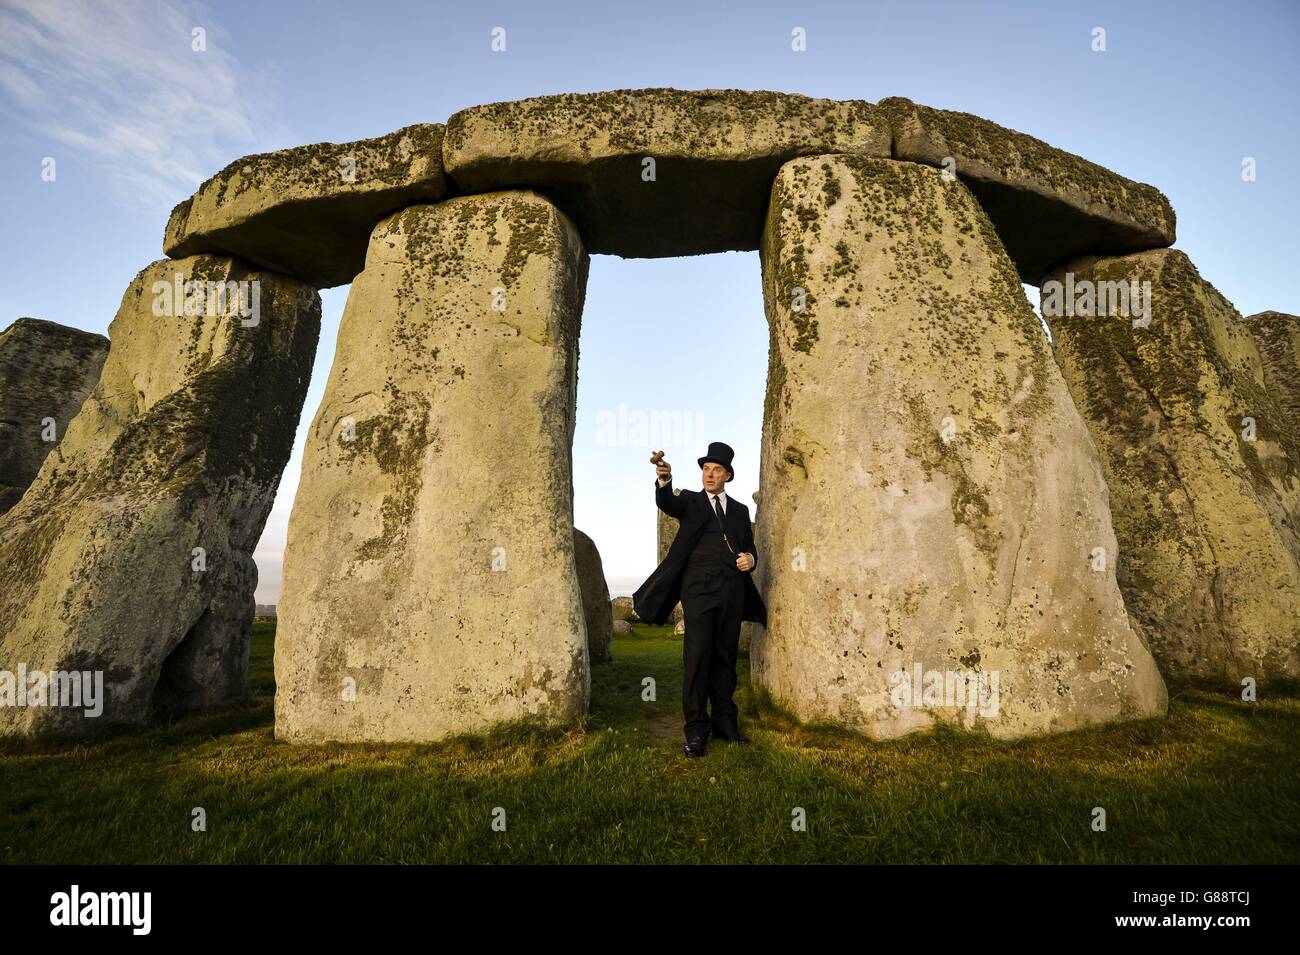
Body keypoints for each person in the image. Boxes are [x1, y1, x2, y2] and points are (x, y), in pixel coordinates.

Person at [632, 442, 767, 757]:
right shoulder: (690, 501)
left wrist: (751, 558)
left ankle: (726, 726)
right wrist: (664, 479)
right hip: (698, 594)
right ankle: (695, 732)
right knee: (697, 660)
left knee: (725, 660)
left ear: (727, 476)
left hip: (731, 593)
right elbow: (667, 502)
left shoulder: (740, 511)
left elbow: (750, 548)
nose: (709, 474)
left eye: (716, 469)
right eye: (706, 469)